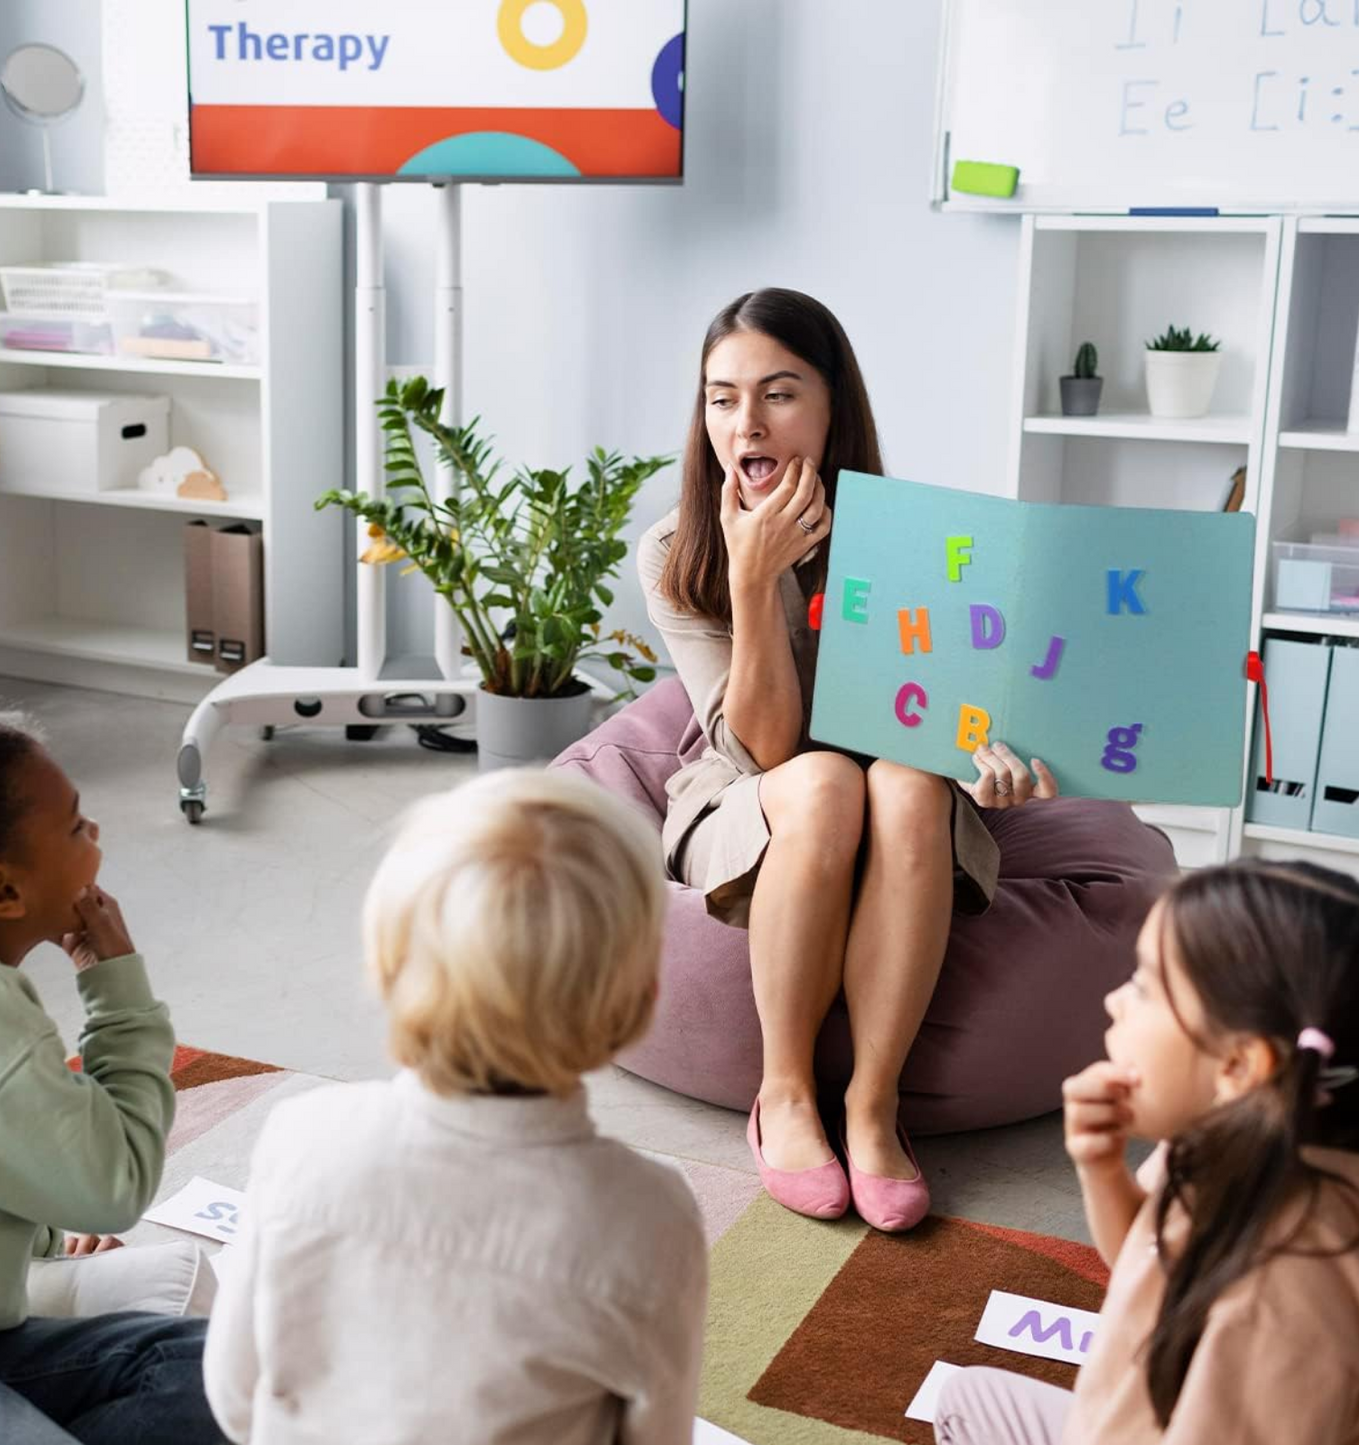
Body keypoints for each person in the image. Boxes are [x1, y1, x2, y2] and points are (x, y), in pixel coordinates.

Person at [638, 287, 1056, 1229]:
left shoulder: (915, 540)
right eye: (720, 397)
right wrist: (751, 578)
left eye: (779, 394)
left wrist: (989, 752)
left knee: (905, 781)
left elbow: (947, 714)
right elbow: (763, 753)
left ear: (833, 408)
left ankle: (873, 1103)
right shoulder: (673, 548)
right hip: (753, 794)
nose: (744, 423)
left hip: (890, 778)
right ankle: (783, 1092)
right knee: (823, 781)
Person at [203, 769, 709, 1444]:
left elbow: (237, 1396)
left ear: (385, 965)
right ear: (637, 1005)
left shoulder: (301, 1136)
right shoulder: (648, 1213)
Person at [933, 859, 1359, 1443]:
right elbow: (1144, 1260)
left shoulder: (1272, 1308)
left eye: (1144, 986)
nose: (1114, 1001)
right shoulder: (1229, 1137)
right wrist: (1103, 1171)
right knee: (966, 1397)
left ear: (1238, 1066)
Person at [0, 718, 227, 1445]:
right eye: (77, 823)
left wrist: (45, 1234)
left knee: (214, 1370)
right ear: (1, 888)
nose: (96, 833)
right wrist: (115, 987)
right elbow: (116, 1186)